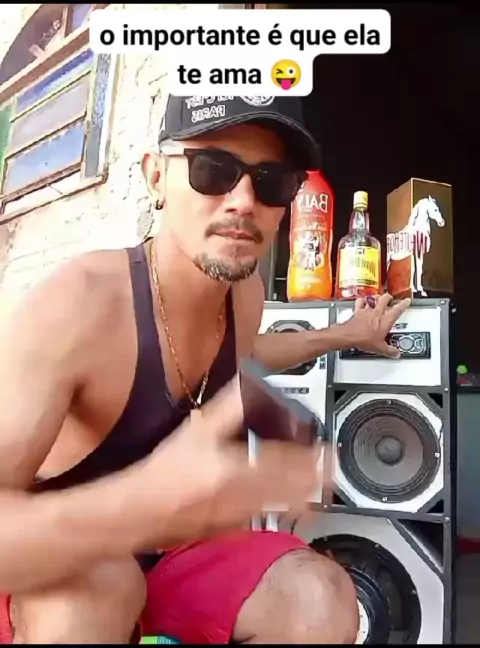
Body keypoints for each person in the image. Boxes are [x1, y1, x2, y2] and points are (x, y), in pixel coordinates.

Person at [0, 94, 410, 645]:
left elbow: (247, 352)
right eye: (212, 169)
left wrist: (348, 336)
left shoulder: (244, 294)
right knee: (99, 589)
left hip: (172, 554)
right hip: (50, 561)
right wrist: (141, 502)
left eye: (272, 182)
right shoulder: (77, 306)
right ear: (156, 177)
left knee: (319, 596)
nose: (243, 201)